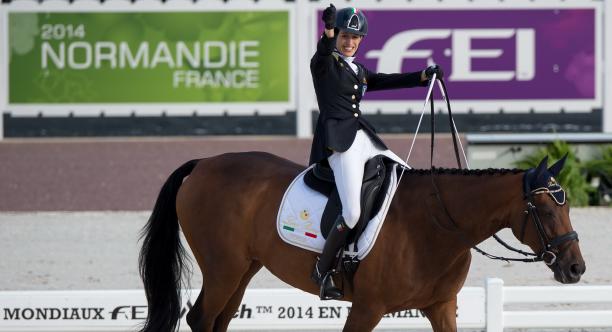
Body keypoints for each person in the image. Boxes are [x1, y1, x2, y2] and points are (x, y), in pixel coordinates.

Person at [309, 4, 444, 300]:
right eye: (345, 36)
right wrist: (328, 33)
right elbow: (323, 51)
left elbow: (384, 80)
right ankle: (323, 269)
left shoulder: (358, 69)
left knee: (405, 177)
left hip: (363, 137)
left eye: (355, 38)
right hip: (338, 142)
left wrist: (424, 75)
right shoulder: (325, 63)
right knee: (352, 211)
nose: (349, 42)